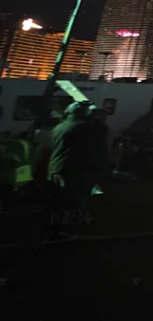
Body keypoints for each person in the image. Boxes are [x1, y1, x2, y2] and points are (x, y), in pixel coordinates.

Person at [44, 102, 94, 239]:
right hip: (73, 169)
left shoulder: (60, 126)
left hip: (55, 167)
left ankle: (52, 228)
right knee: (73, 201)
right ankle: (68, 230)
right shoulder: (82, 128)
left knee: (56, 201)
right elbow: (86, 151)